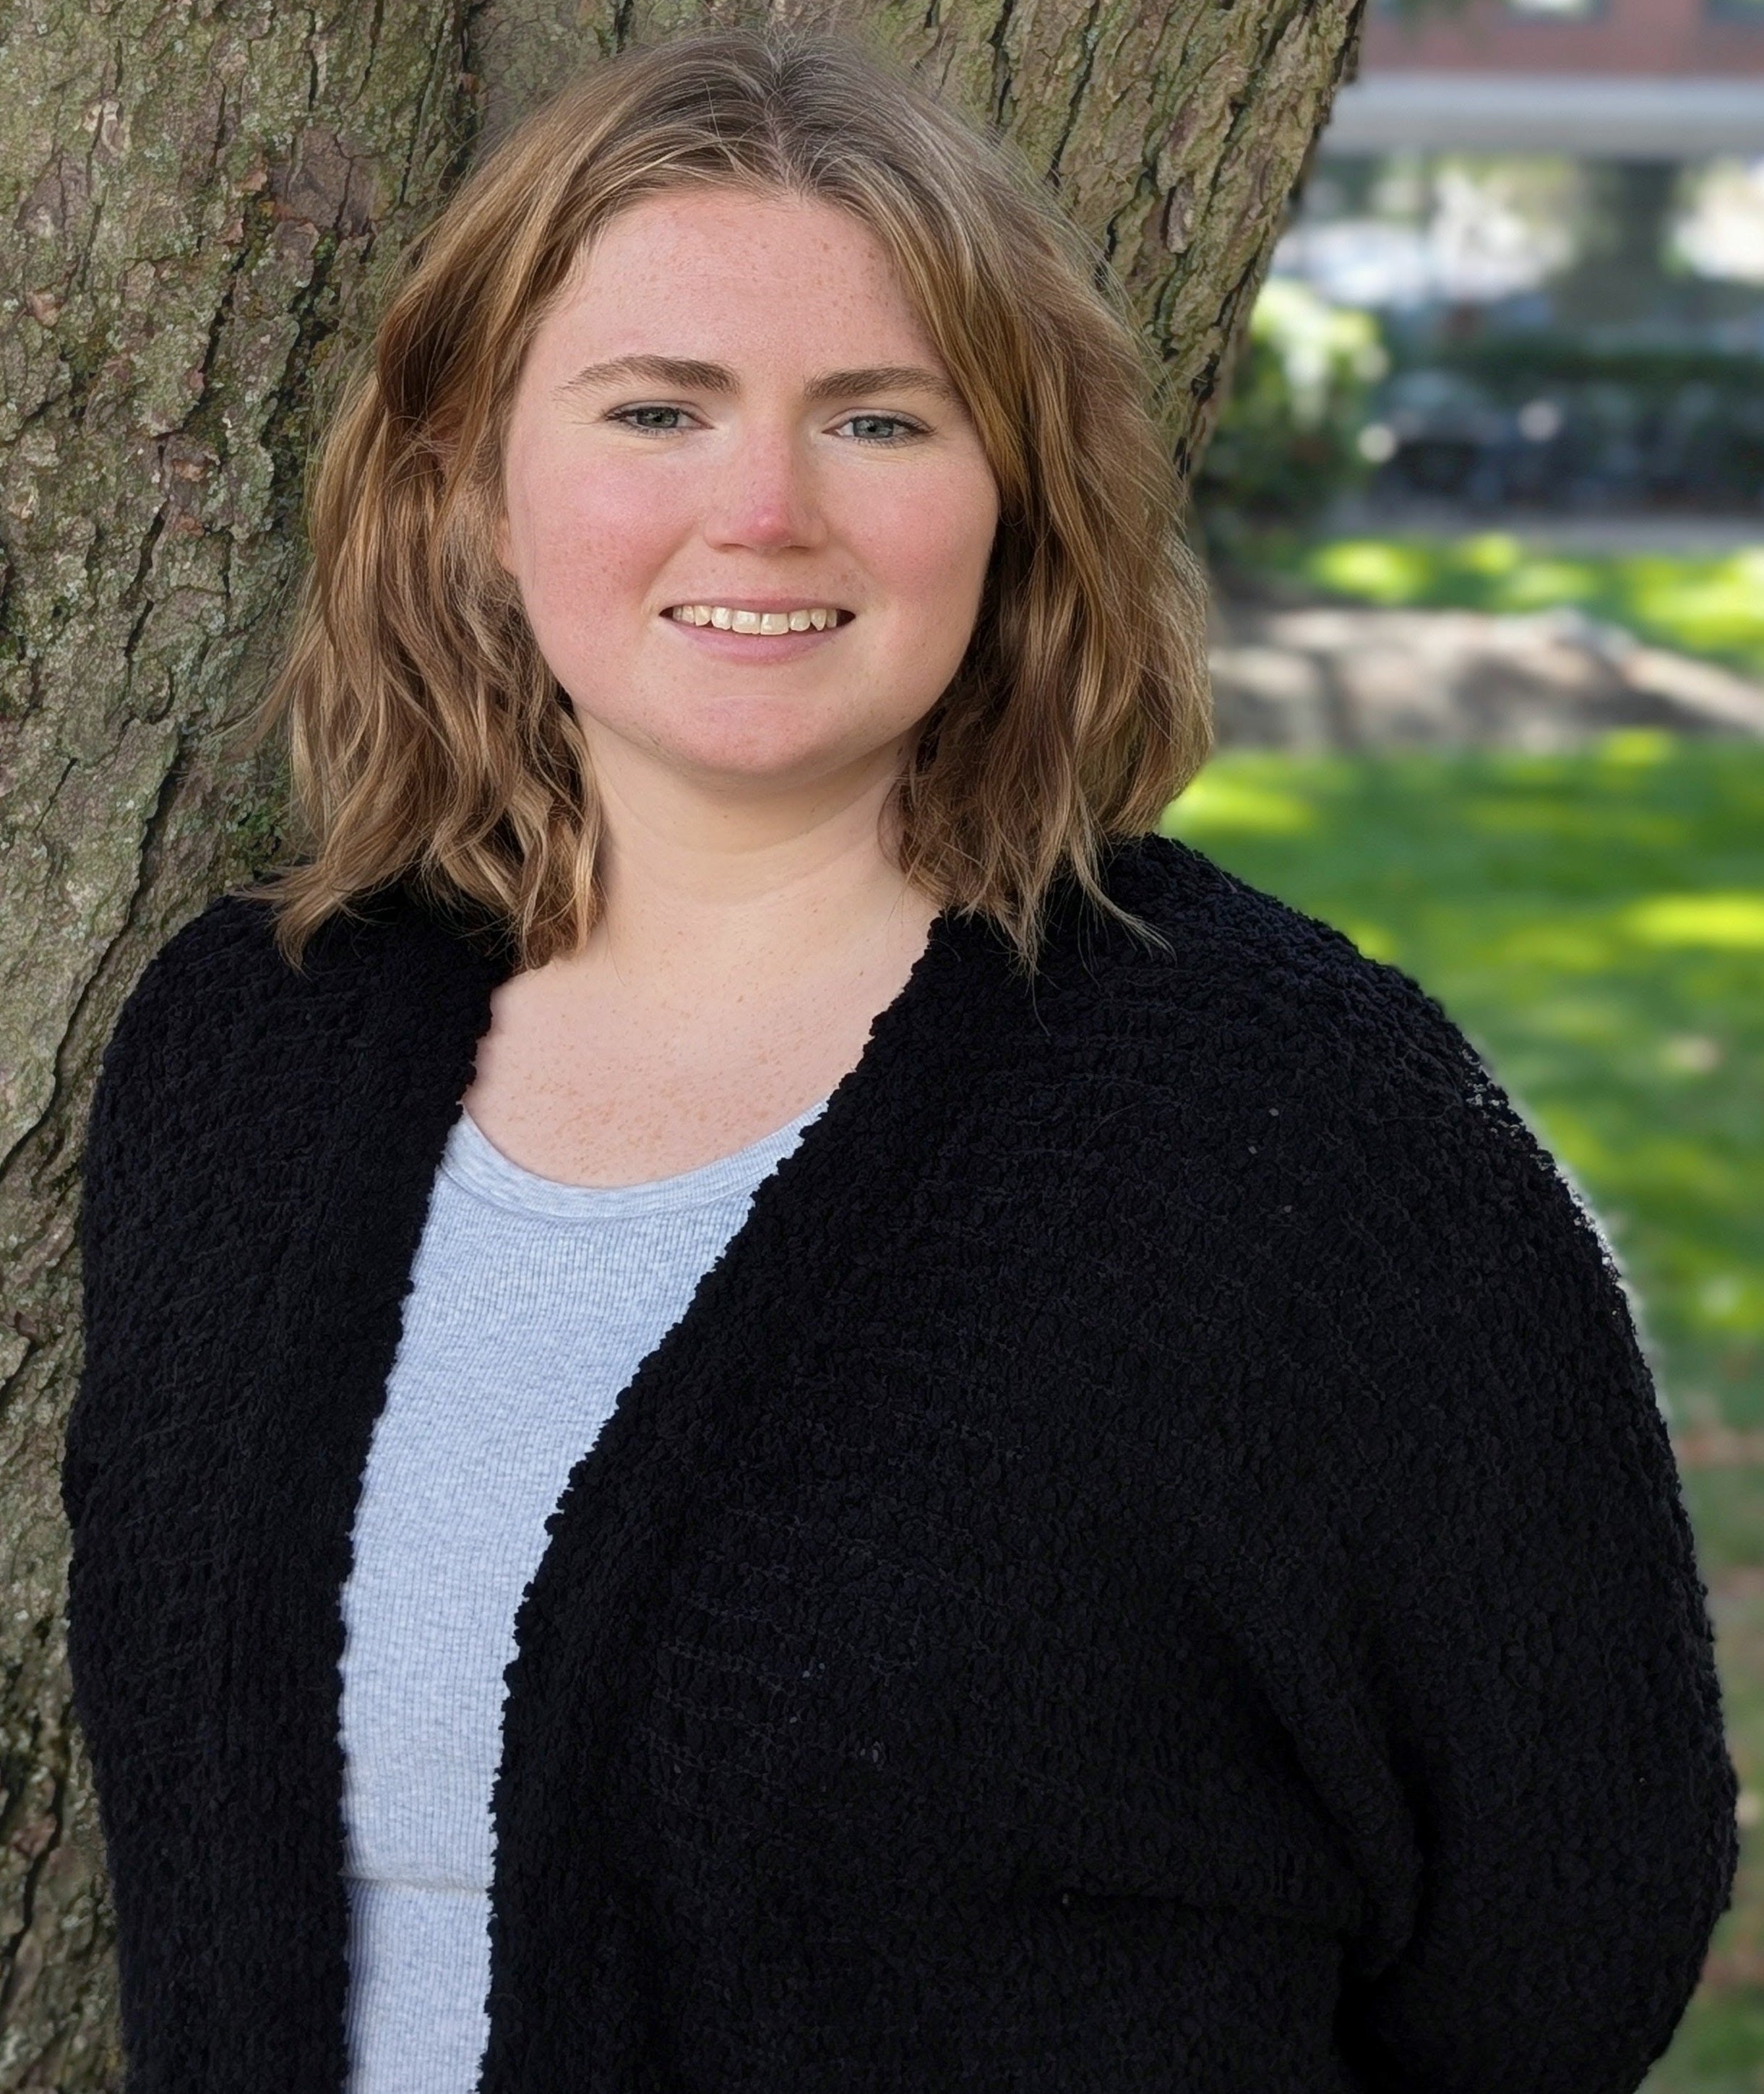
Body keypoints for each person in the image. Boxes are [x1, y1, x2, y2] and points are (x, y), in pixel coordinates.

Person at [64, 25, 1734, 2094]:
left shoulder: (1296, 1133)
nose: (761, 510)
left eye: (874, 418)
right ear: (468, 479)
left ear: (1012, 499)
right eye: (656, 409)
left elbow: (1570, 1904)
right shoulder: (248, 1056)